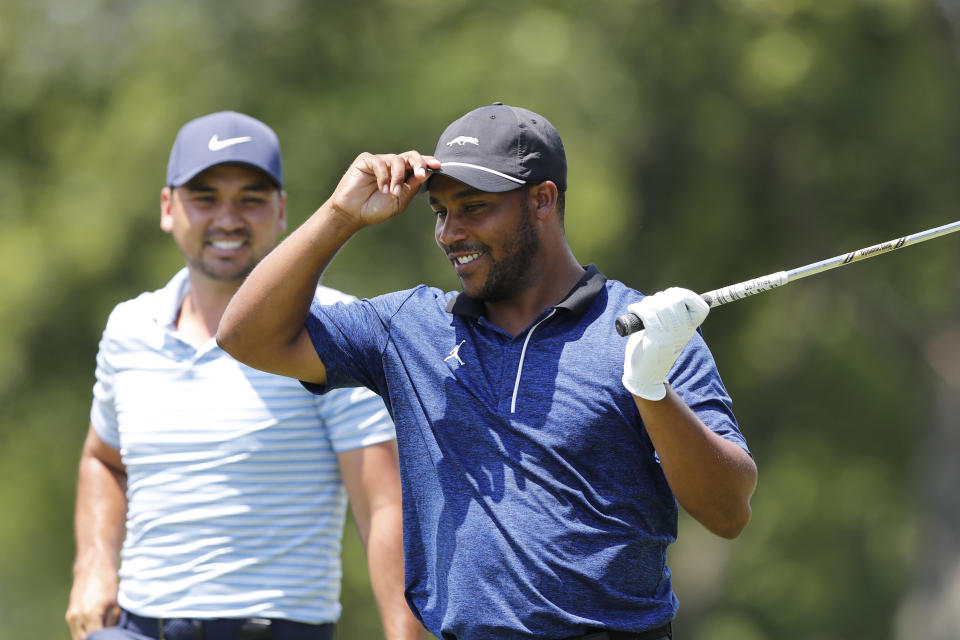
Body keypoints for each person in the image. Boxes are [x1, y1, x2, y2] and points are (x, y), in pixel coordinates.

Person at [217, 103, 758, 640]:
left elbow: (727, 511)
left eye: (474, 207)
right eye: (440, 211)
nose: (451, 232)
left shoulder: (643, 333)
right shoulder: (409, 328)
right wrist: (340, 215)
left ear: (542, 200)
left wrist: (651, 389)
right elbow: (244, 335)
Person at [66, 111, 426, 640]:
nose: (228, 218)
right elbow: (102, 459)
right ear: (168, 209)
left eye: (251, 199)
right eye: (205, 197)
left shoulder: (330, 332)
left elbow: (382, 507)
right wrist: (93, 565)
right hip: (139, 627)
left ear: (281, 211)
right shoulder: (129, 327)